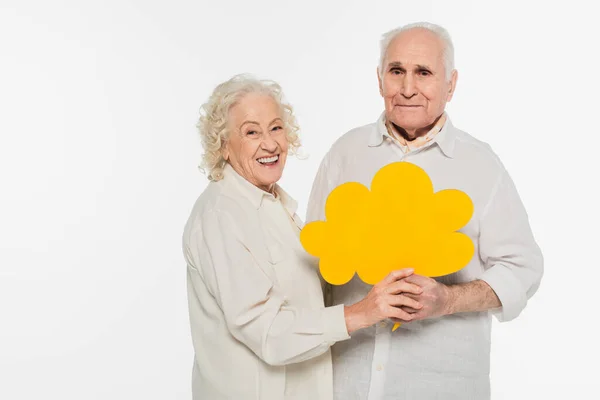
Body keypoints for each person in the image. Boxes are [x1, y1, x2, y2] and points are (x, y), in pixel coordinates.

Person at [306, 22, 544, 400]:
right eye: (396, 71)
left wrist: (447, 300)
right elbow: (314, 266)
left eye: (424, 73)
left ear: (450, 84)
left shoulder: (481, 164)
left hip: (442, 386)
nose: (408, 88)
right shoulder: (344, 154)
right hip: (345, 384)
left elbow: (523, 268)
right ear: (379, 78)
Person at [182, 74, 425, 400]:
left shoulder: (275, 206)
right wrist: (362, 312)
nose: (270, 144)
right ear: (224, 146)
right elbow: (267, 332)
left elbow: (305, 298)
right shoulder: (221, 217)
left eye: (276, 127)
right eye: (251, 132)